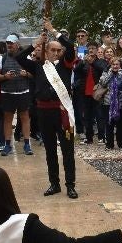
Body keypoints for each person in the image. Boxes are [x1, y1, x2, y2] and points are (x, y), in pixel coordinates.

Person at [17, 21, 79, 199]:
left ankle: (70, 185)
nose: (57, 52)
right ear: (46, 51)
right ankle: (54, 183)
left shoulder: (66, 64)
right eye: (53, 50)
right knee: (50, 150)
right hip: (44, 113)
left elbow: (69, 46)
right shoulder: (39, 66)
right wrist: (36, 43)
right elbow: (20, 58)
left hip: (62, 112)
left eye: (59, 50)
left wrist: (53, 31)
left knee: (67, 150)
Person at [0, 34, 34, 156]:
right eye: (8, 43)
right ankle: (7, 144)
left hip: (23, 91)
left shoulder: (26, 57)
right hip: (7, 92)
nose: (9, 45)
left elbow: (34, 74)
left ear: (17, 44)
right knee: (7, 118)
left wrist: (27, 74)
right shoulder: (1, 58)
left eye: (11, 43)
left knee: (25, 117)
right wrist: (4, 77)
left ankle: (27, 144)